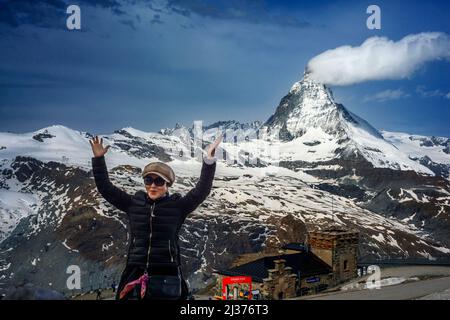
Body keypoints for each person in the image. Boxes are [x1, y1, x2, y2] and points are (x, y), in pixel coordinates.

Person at [89, 134, 222, 300]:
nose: (153, 185)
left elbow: (201, 191)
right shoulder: (133, 204)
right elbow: (106, 189)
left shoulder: (177, 207)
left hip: (167, 274)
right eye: (148, 180)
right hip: (134, 272)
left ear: (167, 185)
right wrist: (99, 159)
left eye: (159, 181)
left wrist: (209, 160)